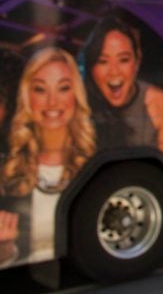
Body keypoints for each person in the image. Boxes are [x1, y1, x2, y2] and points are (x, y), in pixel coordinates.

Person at [0, 47, 96, 266]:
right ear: (27, 96)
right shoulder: (8, 169)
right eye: (40, 89)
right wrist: (5, 250)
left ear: (76, 95)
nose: (52, 102)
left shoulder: (94, 159)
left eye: (63, 88)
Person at [82, 17, 163, 162]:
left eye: (124, 59)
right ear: (91, 67)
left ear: (137, 63)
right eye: (103, 61)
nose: (114, 72)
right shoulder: (77, 102)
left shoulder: (156, 102)